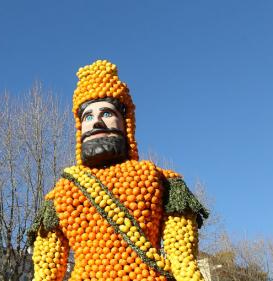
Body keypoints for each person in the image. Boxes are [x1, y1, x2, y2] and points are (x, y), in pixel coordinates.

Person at [28, 60, 208, 281]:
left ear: (126, 121)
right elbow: (46, 272)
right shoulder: (61, 193)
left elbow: (183, 261)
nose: (96, 123)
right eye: (88, 117)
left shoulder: (163, 181)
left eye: (106, 113)